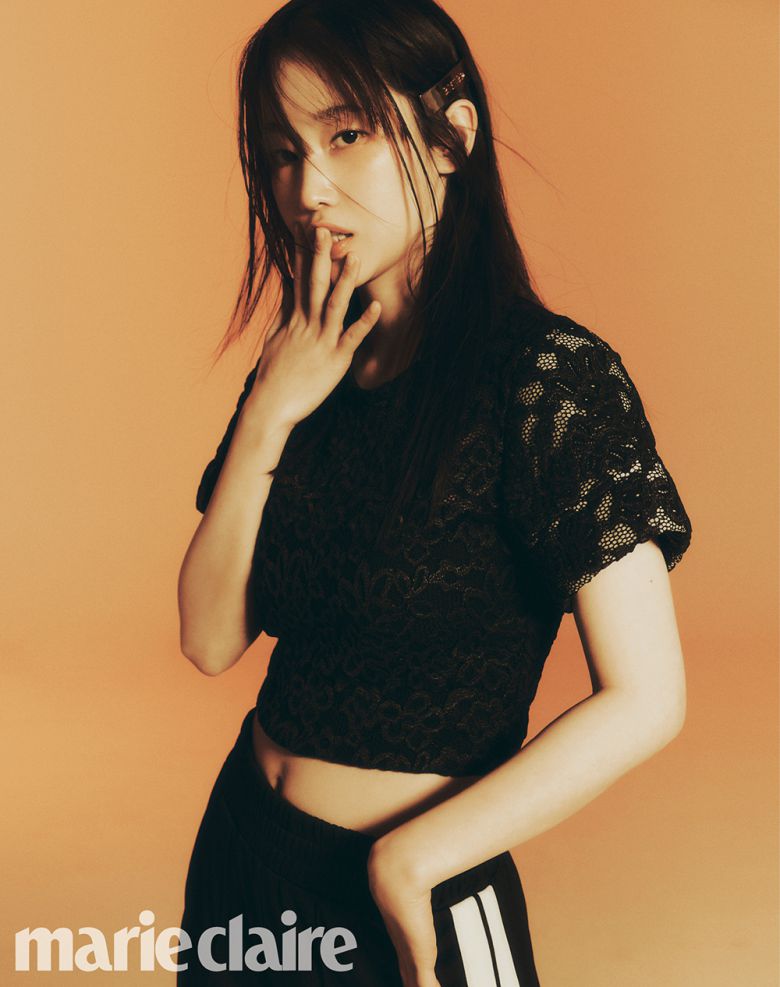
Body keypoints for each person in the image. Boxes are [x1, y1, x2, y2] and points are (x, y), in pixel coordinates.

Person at [176, 1, 694, 984]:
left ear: (451, 138)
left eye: (346, 136)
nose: (307, 190)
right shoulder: (304, 367)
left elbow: (648, 696)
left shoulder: (548, 380)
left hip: (415, 891)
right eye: (283, 152)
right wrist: (269, 414)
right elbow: (209, 639)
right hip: (245, 855)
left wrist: (417, 857)